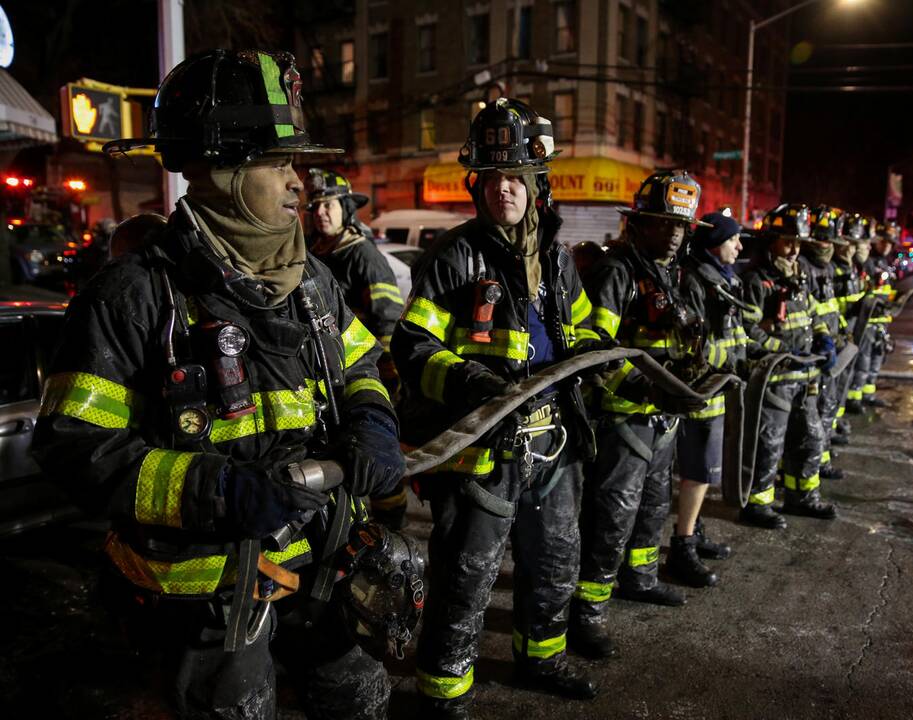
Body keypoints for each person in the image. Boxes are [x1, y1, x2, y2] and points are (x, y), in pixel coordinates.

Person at [31, 50, 406, 719]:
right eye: (277, 163)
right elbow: (73, 446)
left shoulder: (314, 281)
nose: (298, 183)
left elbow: (358, 369)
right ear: (222, 170)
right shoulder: (135, 295)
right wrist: (214, 489)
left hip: (323, 561)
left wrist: (372, 423)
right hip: (205, 602)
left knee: (354, 696)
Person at [391, 98, 601, 719]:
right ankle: (442, 690)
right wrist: (466, 381)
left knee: (555, 560)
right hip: (484, 449)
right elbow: (412, 345)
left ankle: (541, 659)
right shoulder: (455, 256)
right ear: (476, 186)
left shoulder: (559, 258)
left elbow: (581, 330)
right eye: (493, 178)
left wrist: (599, 356)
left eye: (517, 178)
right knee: (467, 574)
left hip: (553, 443)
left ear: (538, 185)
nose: (504, 190)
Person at [569, 170, 710, 657]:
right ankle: (587, 612)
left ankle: (641, 577)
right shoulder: (618, 271)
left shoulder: (671, 274)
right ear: (638, 224)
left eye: (680, 226)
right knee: (611, 517)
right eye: (662, 223)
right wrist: (641, 386)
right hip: (622, 417)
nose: (673, 232)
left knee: (652, 506)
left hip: (661, 416)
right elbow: (595, 347)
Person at [304, 168, 409, 529]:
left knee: (376, 448)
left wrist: (387, 376)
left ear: (346, 207)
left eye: (329, 204)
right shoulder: (310, 254)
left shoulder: (362, 255)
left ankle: (391, 522)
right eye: (315, 206)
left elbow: (387, 319)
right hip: (322, 376)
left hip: (362, 370)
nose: (321, 213)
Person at [738, 203, 837, 530]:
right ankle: (758, 504)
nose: (795, 250)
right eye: (788, 242)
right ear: (770, 242)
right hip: (774, 379)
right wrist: (783, 349)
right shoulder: (756, 280)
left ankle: (802, 497)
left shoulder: (800, 276)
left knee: (809, 438)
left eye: (798, 242)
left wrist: (824, 339)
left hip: (805, 377)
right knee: (769, 444)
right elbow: (747, 332)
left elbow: (813, 315)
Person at [666, 211, 749, 588]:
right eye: (734, 239)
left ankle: (693, 530)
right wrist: (732, 361)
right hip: (701, 391)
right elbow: (694, 346)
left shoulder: (720, 278)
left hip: (715, 389)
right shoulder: (699, 280)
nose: (739, 246)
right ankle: (683, 546)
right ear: (716, 244)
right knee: (696, 473)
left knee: (700, 474)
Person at [801, 206, 850, 481]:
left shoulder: (829, 267)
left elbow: (831, 308)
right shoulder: (803, 268)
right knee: (813, 416)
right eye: (822, 240)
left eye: (830, 242)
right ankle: (806, 467)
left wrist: (840, 334)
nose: (827, 247)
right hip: (813, 353)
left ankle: (821, 459)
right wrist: (820, 339)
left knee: (827, 408)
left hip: (830, 346)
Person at [830, 213, 868, 444]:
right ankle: (830, 426)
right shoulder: (833, 269)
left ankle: (835, 421)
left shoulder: (852, 267)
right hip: (838, 336)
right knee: (833, 386)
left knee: (842, 384)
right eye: (848, 245)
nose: (852, 250)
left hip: (849, 334)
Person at [853, 220, 896, 410]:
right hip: (867, 321)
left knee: (876, 359)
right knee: (863, 360)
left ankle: (868, 394)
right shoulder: (867, 263)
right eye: (883, 242)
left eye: (890, 243)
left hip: (881, 321)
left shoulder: (884, 263)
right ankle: (854, 396)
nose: (887, 246)